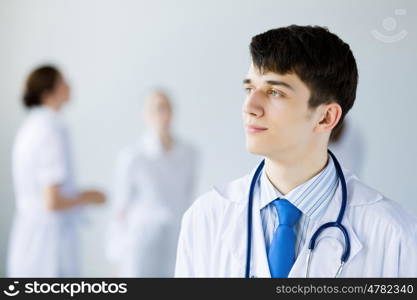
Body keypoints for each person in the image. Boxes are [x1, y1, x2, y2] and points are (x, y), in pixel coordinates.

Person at [175, 25, 417, 277]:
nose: (250, 106)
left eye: (274, 92)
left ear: (325, 117)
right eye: (249, 89)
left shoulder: (395, 234)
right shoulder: (205, 218)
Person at [7, 65, 106, 277]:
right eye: (63, 82)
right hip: (48, 249)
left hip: (30, 241)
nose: (69, 86)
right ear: (48, 93)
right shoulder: (50, 130)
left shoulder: (31, 127)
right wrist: (90, 196)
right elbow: (52, 202)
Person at [106, 90, 198, 277]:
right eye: (158, 109)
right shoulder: (133, 157)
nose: (163, 114)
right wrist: (117, 256)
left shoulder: (189, 154)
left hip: (175, 239)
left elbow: (188, 198)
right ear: (146, 115)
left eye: (167, 108)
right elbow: (120, 208)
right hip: (140, 243)